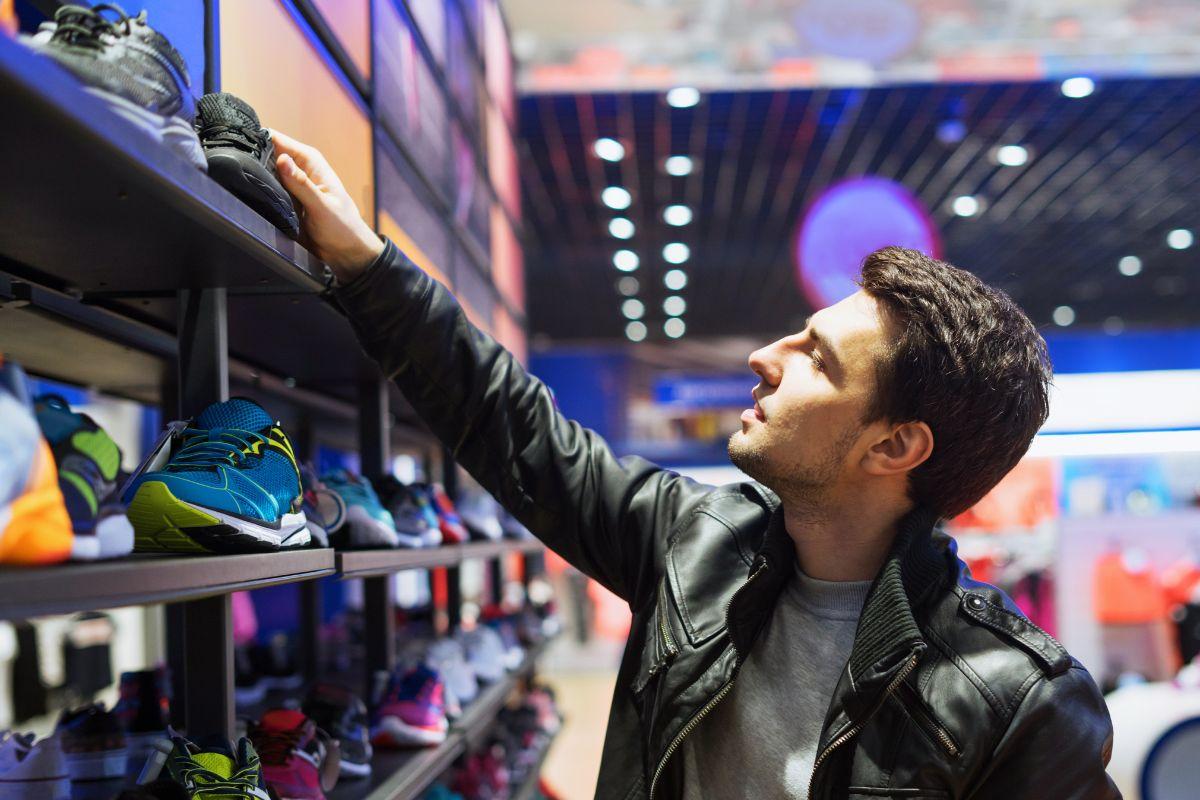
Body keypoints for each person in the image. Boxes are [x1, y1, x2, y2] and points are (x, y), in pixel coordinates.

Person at [269, 130, 1120, 800]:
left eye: (816, 359)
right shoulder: (690, 544)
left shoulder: (1018, 702)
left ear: (894, 446)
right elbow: (509, 424)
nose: (762, 355)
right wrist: (366, 264)